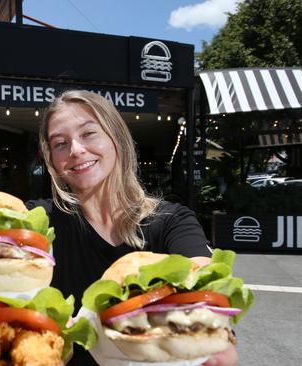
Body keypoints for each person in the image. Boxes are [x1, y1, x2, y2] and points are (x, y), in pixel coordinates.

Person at [32, 89, 237, 366]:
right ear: (53, 162)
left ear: (116, 138)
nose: (76, 150)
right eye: (60, 143)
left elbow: (206, 296)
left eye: (89, 133)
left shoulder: (172, 223)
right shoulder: (38, 221)